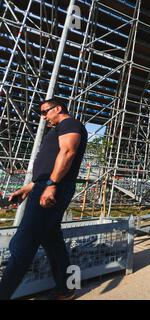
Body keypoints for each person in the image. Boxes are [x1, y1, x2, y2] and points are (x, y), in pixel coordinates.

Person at [0, 99, 88, 300]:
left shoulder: (70, 124)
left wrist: (51, 185)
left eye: (45, 112)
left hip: (54, 186)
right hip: (46, 185)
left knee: (22, 243)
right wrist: (29, 187)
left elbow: (68, 153)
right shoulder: (58, 129)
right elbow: (50, 163)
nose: (43, 117)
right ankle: (67, 290)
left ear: (58, 109)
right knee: (52, 241)